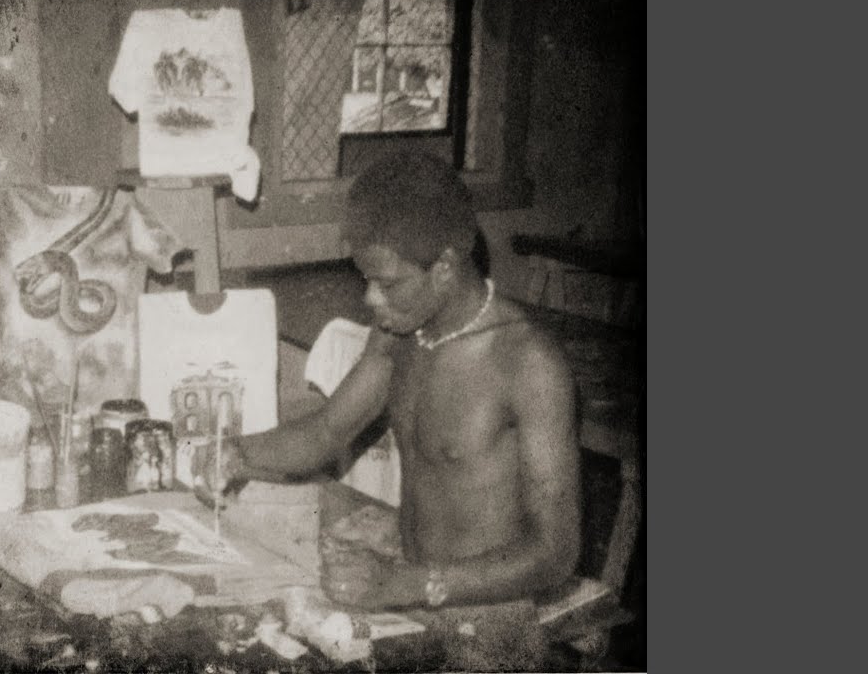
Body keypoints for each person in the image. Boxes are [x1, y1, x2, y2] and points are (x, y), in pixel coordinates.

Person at [194, 152, 582, 665]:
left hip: (488, 627)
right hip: (411, 603)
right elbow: (325, 432)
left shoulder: (527, 363)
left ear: (444, 267)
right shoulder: (401, 335)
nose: (372, 300)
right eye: (366, 280)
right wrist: (236, 453)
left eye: (389, 283)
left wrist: (403, 584)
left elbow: (556, 551)